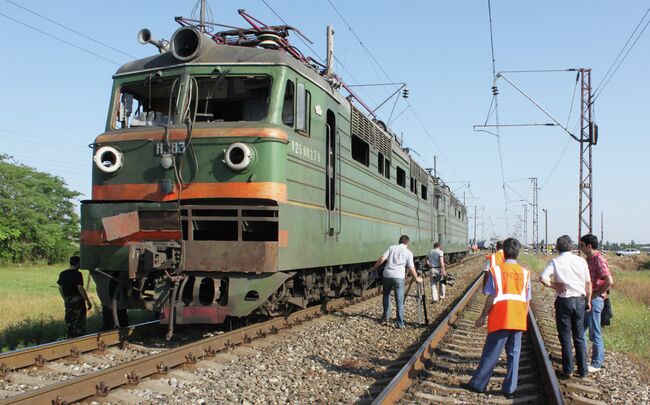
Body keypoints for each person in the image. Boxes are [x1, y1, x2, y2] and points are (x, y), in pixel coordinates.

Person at [466, 238, 531, 398]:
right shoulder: (525, 273)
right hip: (518, 318)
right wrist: (523, 317)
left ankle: (478, 384)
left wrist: (482, 316)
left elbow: (490, 298)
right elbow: (527, 300)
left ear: (503, 251)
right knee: (514, 354)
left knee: (491, 352)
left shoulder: (496, 271)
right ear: (517, 252)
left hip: (500, 317)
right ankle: (510, 389)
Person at [539, 235, 592, 378]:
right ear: (571, 246)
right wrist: (588, 300)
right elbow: (588, 283)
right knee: (579, 336)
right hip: (580, 300)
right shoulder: (581, 261)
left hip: (564, 301)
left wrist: (554, 285)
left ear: (557, 247)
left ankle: (568, 370)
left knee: (565, 336)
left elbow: (542, 278)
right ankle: (583, 370)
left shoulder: (555, 261)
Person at [371, 235, 423, 329]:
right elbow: (411, 267)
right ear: (407, 242)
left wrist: (374, 267)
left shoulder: (391, 248)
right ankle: (400, 323)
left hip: (387, 275)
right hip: (399, 277)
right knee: (399, 300)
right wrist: (416, 278)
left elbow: (382, 258)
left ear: (399, 241)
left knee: (386, 295)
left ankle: (386, 318)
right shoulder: (408, 252)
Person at [579, 234, 614, 372]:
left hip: (595, 301)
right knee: (580, 330)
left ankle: (596, 363)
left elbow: (609, 281)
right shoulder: (588, 260)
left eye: (581, 245)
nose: (580, 248)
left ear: (589, 246)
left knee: (595, 332)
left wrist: (596, 294)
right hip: (588, 299)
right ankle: (582, 357)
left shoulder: (599, 260)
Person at [57, 256, 92, 338]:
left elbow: (60, 288)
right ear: (77, 263)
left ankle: (69, 337)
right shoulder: (78, 274)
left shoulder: (63, 273)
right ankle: (78, 337)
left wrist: (65, 298)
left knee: (69, 320)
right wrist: (87, 300)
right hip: (77, 300)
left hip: (68, 299)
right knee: (79, 320)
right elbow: (80, 288)